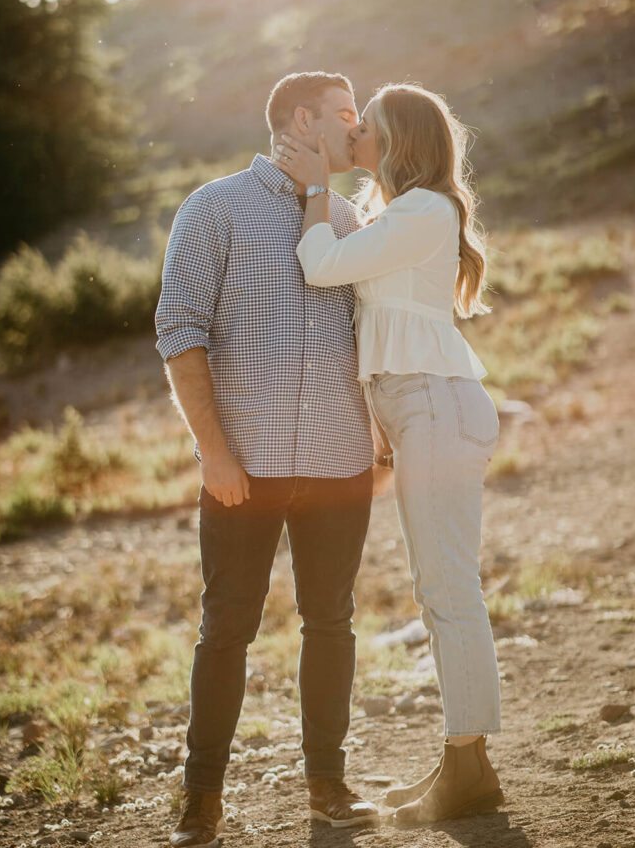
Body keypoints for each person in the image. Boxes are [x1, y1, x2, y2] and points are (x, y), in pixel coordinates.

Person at [155, 71, 381, 847]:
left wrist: (379, 441)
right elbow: (179, 333)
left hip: (340, 462)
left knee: (331, 623)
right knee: (226, 631)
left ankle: (327, 785)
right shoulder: (212, 208)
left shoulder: (349, 220)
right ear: (298, 120)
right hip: (241, 470)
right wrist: (212, 454)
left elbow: (372, 337)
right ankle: (200, 801)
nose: (357, 130)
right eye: (345, 115)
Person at [271, 81, 504, 826]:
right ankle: (460, 759)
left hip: (434, 403)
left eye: (364, 125)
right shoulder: (399, 212)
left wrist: (313, 190)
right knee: (437, 587)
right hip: (418, 408)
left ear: (395, 140)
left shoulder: (424, 210)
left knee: (447, 587)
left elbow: (320, 265)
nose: (353, 132)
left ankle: (467, 771)